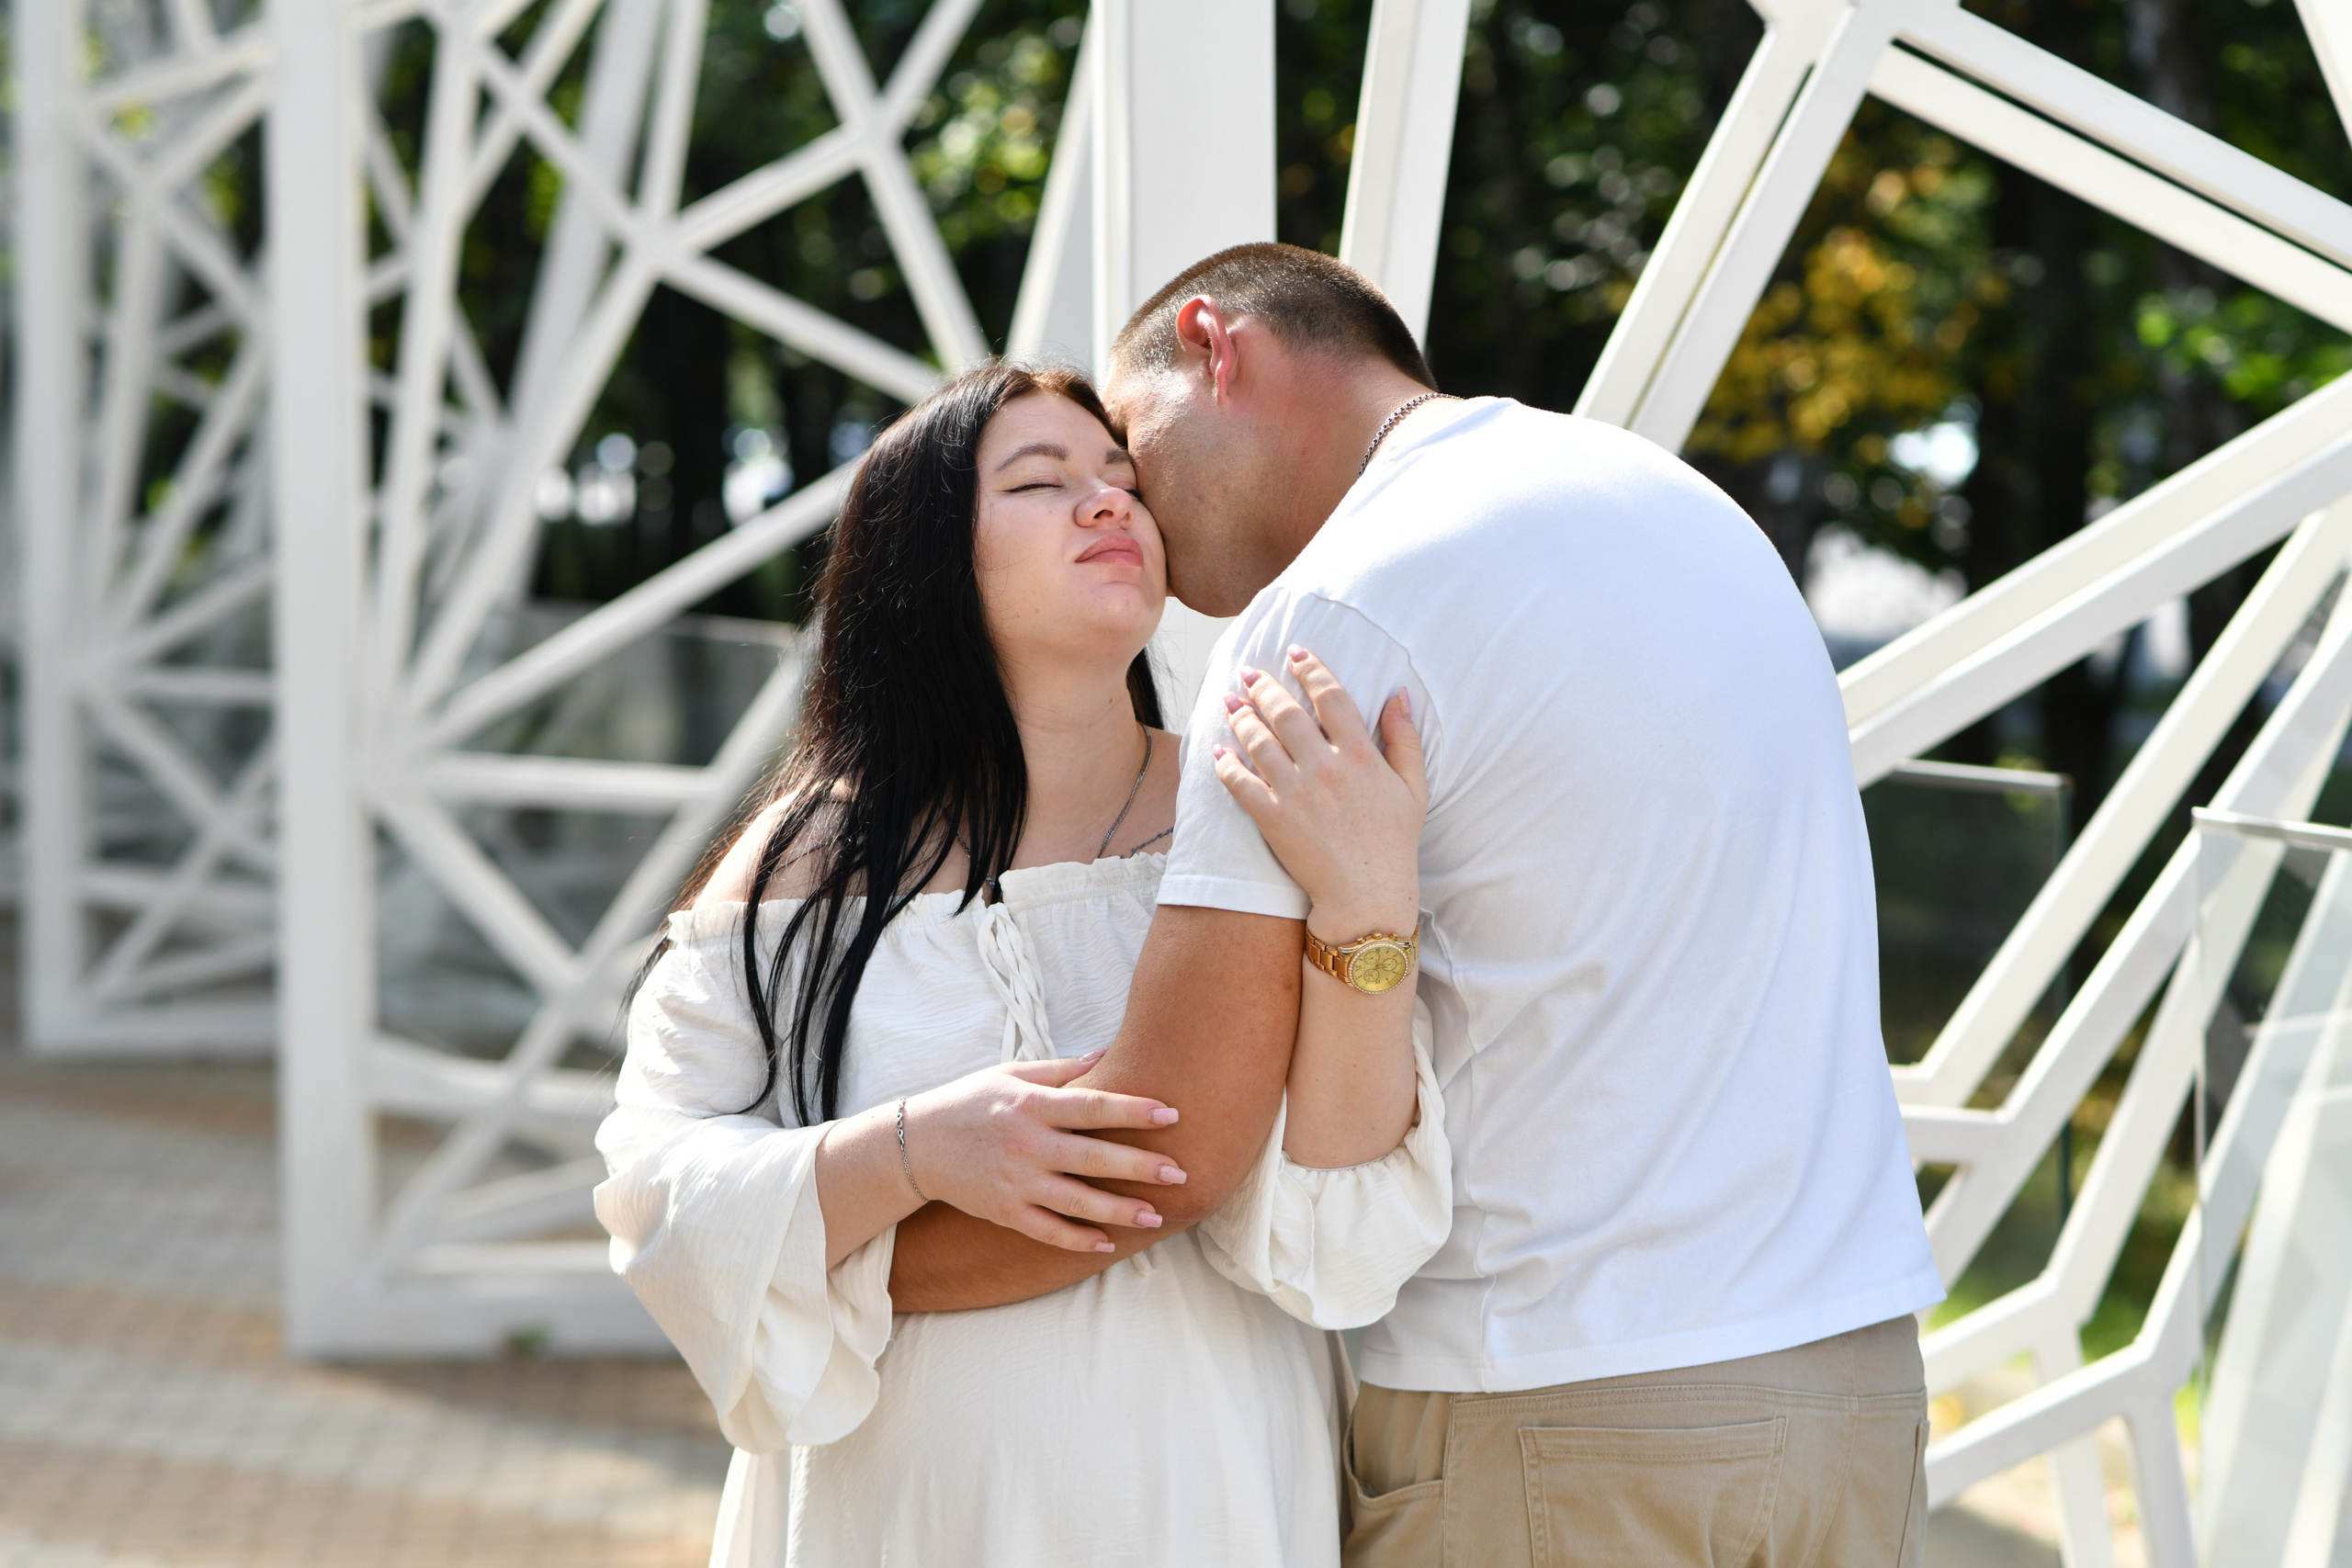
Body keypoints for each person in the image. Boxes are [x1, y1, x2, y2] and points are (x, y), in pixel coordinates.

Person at [886, 245, 1946, 1566]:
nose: (1132, 496)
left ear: (1215, 344)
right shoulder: (1675, 505)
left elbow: (1166, 1145)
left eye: (1131, 443)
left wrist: (832, 1270)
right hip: (1851, 1383)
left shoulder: (1326, 624)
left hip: (1557, 1407)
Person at [592, 362, 1452, 1568]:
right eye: (1042, 483)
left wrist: (1368, 901)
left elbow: (1350, 1236)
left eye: (1122, 481)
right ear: (925, 560)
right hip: (898, 1507)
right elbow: (655, 1191)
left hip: (1207, 1486)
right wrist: (917, 1149)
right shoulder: (797, 865)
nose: (1109, 506)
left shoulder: (1255, 805)